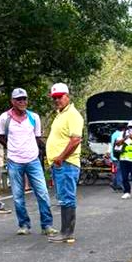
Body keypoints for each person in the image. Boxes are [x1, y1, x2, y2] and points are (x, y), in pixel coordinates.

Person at [0, 88, 55, 235]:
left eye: (24, 99)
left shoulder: (34, 117)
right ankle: (24, 225)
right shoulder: (4, 118)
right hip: (14, 161)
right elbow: (0, 137)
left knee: (42, 193)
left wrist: (48, 152)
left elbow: (37, 138)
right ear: (12, 101)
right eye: (19, 99)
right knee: (18, 196)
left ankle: (47, 225)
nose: (22, 102)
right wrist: (11, 148)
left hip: (33, 160)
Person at [45, 83, 83, 243]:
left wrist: (61, 157)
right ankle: (65, 231)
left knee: (67, 197)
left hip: (66, 163)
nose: (57, 100)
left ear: (68, 96)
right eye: (54, 98)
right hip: (60, 164)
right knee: (63, 197)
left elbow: (76, 140)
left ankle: (67, 232)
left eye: (60, 97)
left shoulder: (72, 115)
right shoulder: (60, 114)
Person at [109, 126, 125, 191]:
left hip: (113, 154)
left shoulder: (113, 134)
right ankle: (119, 184)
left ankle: (114, 183)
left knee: (118, 170)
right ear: (123, 129)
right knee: (119, 170)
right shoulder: (120, 134)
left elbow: (111, 144)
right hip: (118, 155)